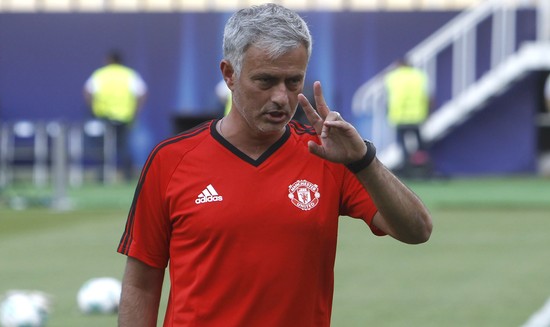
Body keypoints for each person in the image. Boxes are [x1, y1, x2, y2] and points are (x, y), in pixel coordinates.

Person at [117, 4, 432, 327]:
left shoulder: (327, 155)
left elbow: (417, 230)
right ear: (229, 74)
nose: (282, 97)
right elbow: (141, 282)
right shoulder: (171, 159)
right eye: (265, 81)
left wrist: (364, 161)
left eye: (294, 82)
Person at [83, 50, 147, 181]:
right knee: (124, 147)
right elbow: (142, 93)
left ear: (108, 60)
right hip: (125, 116)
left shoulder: (101, 74)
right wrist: (136, 111)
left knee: (104, 147)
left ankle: (102, 175)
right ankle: (127, 176)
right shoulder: (129, 74)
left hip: (103, 116)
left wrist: (92, 108)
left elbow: (87, 91)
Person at [384, 59, 432, 177]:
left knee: (403, 146)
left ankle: (407, 170)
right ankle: (424, 171)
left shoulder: (392, 77)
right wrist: (428, 113)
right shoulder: (419, 76)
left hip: (399, 117)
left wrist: (388, 112)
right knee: (420, 145)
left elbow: (389, 98)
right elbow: (427, 96)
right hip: (417, 117)